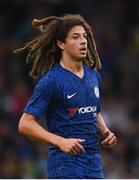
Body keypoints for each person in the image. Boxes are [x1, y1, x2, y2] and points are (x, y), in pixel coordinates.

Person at [14, 14, 117, 179]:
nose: (83, 41)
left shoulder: (94, 76)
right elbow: (25, 124)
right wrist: (60, 141)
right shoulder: (51, 81)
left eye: (84, 36)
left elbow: (93, 111)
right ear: (61, 44)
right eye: (75, 37)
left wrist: (105, 131)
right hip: (64, 166)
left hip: (94, 165)